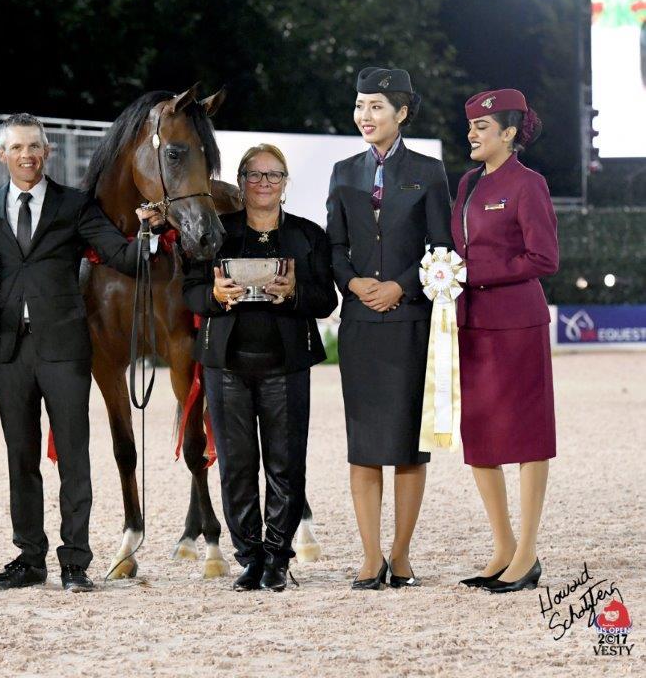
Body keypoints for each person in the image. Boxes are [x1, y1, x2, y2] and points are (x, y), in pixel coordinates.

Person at [0, 113, 163, 593]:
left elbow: (121, 255)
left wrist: (147, 233)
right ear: (2, 154)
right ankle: (29, 558)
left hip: (64, 348)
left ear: (47, 151)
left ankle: (75, 562)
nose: (27, 155)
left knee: (74, 458)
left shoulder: (76, 205)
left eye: (34, 147)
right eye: (17, 148)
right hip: (8, 351)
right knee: (21, 458)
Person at [183, 144, 336, 592]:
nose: (263, 183)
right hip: (226, 365)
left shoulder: (308, 235)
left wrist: (294, 293)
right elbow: (189, 292)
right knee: (236, 466)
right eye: (254, 174)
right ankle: (249, 557)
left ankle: (278, 557)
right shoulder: (216, 233)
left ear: (285, 182)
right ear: (241, 180)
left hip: (286, 366)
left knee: (285, 465)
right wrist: (214, 296)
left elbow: (326, 300)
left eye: (273, 175)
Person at [326, 67, 452, 590]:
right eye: (360, 105)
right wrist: (354, 284)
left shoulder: (429, 171)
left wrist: (401, 286)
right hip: (359, 325)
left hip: (408, 324)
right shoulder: (343, 172)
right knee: (363, 445)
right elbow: (335, 247)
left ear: (401, 112)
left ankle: (400, 555)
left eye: (376, 106)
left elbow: (442, 249)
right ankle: (369, 555)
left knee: (406, 445)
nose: (365, 115)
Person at [453, 89, 558, 593]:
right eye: (471, 125)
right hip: (472, 325)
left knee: (528, 435)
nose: (471, 133)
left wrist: (474, 273)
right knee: (480, 436)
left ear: (509, 133)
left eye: (482, 127)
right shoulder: (468, 183)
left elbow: (544, 258)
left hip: (518, 324)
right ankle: (503, 546)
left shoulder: (528, 184)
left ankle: (528, 552)